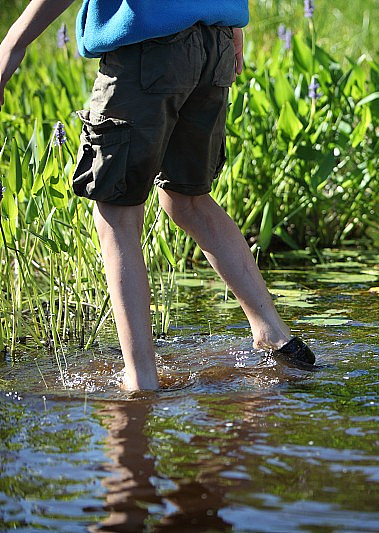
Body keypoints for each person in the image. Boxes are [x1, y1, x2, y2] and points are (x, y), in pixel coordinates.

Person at [0, 0, 315, 391]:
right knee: (188, 200)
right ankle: (275, 337)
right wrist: (229, 22)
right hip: (214, 43)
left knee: (116, 212)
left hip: (146, 48)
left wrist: (12, 44)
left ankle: (141, 379)